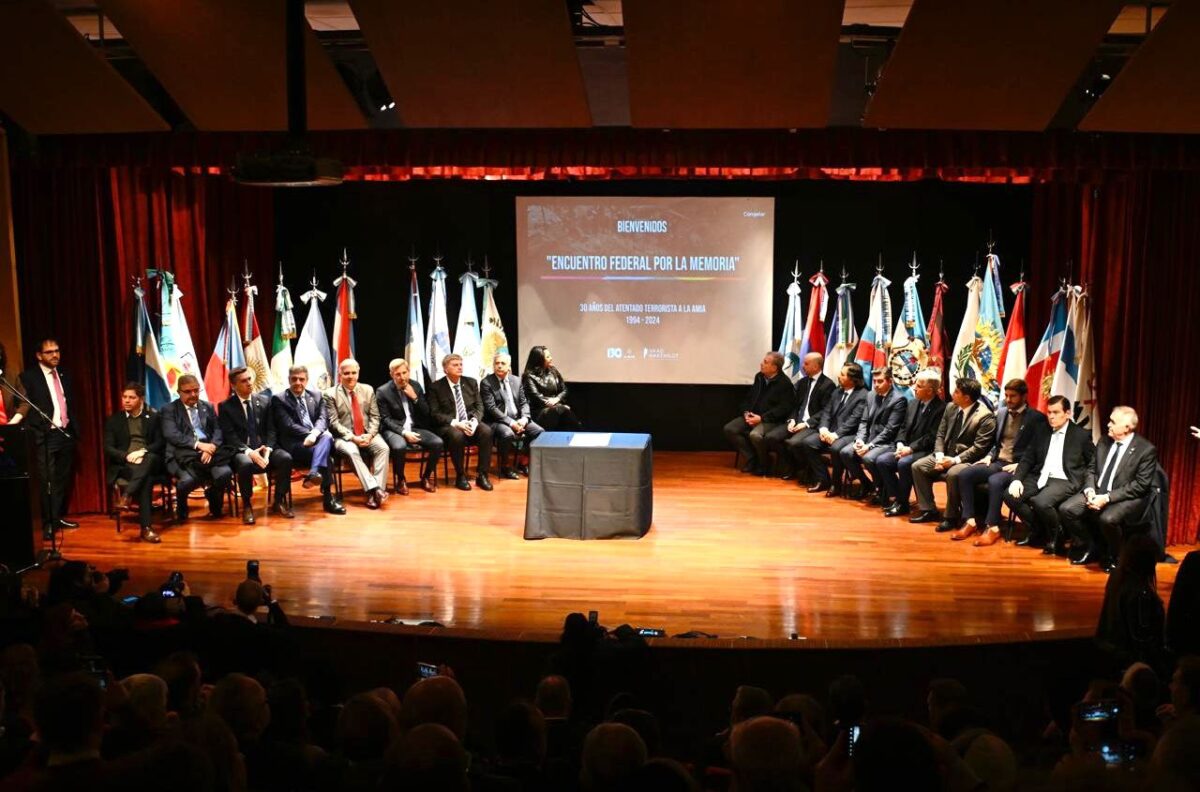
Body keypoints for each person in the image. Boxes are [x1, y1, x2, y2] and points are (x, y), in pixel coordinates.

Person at [1060, 406, 1158, 571]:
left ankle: (1116, 554)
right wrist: (1090, 490)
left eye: (1113, 422)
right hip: (1097, 491)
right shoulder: (1104, 441)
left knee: (1108, 519)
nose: (1108, 425)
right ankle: (1090, 546)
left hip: (1124, 496)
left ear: (1127, 427)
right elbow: (1091, 469)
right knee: (1067, 509)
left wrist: (1106, 498)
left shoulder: (1145, 450)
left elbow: (1140, 485)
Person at [951, 378, 1047, 545]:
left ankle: (993, 527)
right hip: (997, 461)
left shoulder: (1037, 418)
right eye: (1006, 395)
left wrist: (1020, 465)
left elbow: (1040, 450)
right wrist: (989, 455)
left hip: (1018, 466)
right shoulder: (1001, 412)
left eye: (1013, 396)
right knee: (965, 474)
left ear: (1024, 396)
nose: (1008, 400)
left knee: (995, 481)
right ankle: (970, 520)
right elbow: (995, 443)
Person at [1004, 395, 1095, 555]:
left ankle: (1057, 537)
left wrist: (1088, 485)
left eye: (1056, 412)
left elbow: (1092, 464)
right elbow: (1027, 459)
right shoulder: (1041, 430)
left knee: (1041, 501)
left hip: (1065, 478)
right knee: (1010, 495)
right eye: (1049, 412)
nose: (1051, 416)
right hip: (1040, 475)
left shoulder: (1081, 435)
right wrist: (1017, 480)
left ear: (1067, 413)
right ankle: (1038, 530)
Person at [909, 378, 997, 531]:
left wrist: (954, 460)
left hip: (967, 459)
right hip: (944, 454)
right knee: (918, 466)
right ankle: (928, 509)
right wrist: (939, 456)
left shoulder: (985, 417)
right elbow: (940, 435)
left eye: (956, 392)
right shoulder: (951, 407)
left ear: (967, 398)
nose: (952, 394)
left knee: (953, 474)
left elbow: (979, 448)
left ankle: (950, 517)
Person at [10, 338, 78, 537]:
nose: (55, 355)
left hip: (65, 433)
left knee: (62, 479)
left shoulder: (64, 374)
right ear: (39, 355)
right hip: (44, 435)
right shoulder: (28, 377)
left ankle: (57, 517)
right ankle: (48, 522)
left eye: (57, 350)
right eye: (49, 352)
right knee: (47, 480)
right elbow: (22, 405)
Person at [218, 367, 294, 524]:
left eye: (249, 379)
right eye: (244, 381)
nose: (249, 383)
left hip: (265, 448)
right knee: (245, 464)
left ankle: (278, 500)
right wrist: (249, 452)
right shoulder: (226, 407)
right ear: (233, 385)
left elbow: (272, 429)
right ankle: (247, 505)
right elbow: (230, 437)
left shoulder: (265, 400)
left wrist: (268, 449)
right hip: (241, 450)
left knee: (285, 458)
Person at [271, 365, 344, 515]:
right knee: (326, 447)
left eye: (301, 379)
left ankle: (316, 478)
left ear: (307, 380)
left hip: (316, 442)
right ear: (288, 379)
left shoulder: (317, 396)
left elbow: (324, 418)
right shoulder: (279, 399)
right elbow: (288, 425)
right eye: (294, 379)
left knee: (326, 438)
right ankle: (328, 498)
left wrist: (315, 434)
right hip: (295, 445)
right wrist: (310, 435)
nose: (298, 382)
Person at [160, 374, 234, 522]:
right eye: (188, 391)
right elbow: (172, 434)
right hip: (180, 455)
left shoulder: (207, 406)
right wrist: (199, 445)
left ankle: (213, 497)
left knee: (225, 473)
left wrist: (211, 446)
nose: (193, 395)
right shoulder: (169, 410)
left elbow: (218, 430)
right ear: (178, 392)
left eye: (196, 390)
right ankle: (181, 510)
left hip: (209, 453)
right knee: (187, 482)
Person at [872, 369, 945, 517]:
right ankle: (896, 498)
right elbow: (903, 427)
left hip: (926, 450)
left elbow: (932, 437)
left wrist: (910, 449)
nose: (914, 388)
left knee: (904, 464)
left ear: (930, 391)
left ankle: (902, 503)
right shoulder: (913, 403)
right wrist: (900, 443)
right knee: (882, 461)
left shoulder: (942, 408)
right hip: (905, 447)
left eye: (918, 386)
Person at [102, 382, 165, 543]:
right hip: (127, 463)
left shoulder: (153, 417)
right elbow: (108, 447)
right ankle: (146, 528)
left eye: (132, 397)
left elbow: (159, 443)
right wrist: (127, 456)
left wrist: (142, 452)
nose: (127, 401)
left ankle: (127, 495)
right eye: (124, 397)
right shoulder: (114, 420)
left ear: (141, 399)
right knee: (146, 480)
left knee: (149, 459)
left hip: (149, 458)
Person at [324, 358, 390, 509]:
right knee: (352, 451)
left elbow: (375, 416)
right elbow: (333, 423)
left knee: (383, 448)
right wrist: (353, 437)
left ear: (358, 373)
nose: (350, 376)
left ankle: (374, 493)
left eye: (354, 373)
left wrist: (370, 435)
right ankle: (375, 490)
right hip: (344, 437)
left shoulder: (367, 389)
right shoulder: (330, 394)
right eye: (346, 373)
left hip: (367, 434)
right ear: (340, 374)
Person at [1095, 533, 1166, 670]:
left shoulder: (1116, 577)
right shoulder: (1141, 594)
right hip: (1131, 661)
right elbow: (1143, 639)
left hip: (1109, 649)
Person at [798, 362, 868, 495]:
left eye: (842, 374)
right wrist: (823, 429)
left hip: (850, 434)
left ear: (852, 379)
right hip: (830, 431)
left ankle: (836, 484)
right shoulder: (837, 391)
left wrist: (835, 435)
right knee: (808, 443)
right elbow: (827, 412)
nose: (838, 376)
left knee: (836, 448)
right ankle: (823, 479)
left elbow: (854, 420)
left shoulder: (863, 395)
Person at [764, 352, 836, 482]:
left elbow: (826, 411)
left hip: (813, 424)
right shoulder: (802, 382)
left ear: (816, 366)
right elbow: (794, 405)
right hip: (796, 421)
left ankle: (806, 469)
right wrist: (792, 420)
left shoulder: (827, 385)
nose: (802, 366)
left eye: (806, 363)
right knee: (771, 437)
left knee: (794, 443)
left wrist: (806, 423)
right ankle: (792, 465)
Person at [724, 351, 797, 476]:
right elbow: (749, 398)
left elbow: (784, 409)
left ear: (775, 367)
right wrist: (746, 412)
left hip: (771, 420)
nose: (761, 364)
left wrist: (762, 418)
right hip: (752, 416)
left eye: (765, 362)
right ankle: (752, 458)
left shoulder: (784, 384)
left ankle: (764, 463)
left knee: (755, 435)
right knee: (730, 429)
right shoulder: (759, 377)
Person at [428, 353, 494, 491]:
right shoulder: (436, 387)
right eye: (455, 365)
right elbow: (435, 414)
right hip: (449, 426)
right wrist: (456, 423)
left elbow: (479, 406)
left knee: (486, 431)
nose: (459, 367)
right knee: (457, 436)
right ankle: (460, 476)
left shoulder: (471, 382)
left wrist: (475, 421)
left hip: (470, 421)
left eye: (460, 364)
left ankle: (482, 475)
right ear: (446, 369)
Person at [376, 358, 443, 494]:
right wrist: (403, 432)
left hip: (414, 427)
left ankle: (425, 477)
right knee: (399, 447)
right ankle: (401, 479)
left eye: (404, 373)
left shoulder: (416, 386)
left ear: (409, 372)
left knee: (438, 443)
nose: (402, 377)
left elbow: (426, 413)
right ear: (392, 375)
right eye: (398, 374)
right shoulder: (383, 391)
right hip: (394, 429)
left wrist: (415, 398)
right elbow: (385, 419)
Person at [840, 366, 906, 501]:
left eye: (880, 381)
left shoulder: (899, 400)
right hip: (869, 440)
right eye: (874, 381)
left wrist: (869, 446)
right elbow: (864, 422)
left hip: (887, 443)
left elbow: (890, 429)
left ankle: (882, 489)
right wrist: (860, 440)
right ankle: (867, 485)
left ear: (890, 381)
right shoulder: (870, 395)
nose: (876, 385)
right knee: (846, 453)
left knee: (868, 458)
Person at [481, 352, 543, 479]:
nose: (499, 366)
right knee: (507, 433)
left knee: (539, 432)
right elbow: (491, 408)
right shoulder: (487, 382)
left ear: (509, 366)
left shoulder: (516, 380)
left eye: (502, 363)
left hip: (518, 419)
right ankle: (505, 467)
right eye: (496, 363)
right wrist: (512, 423)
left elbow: (524, 402)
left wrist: (525, 418)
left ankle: (523, 461)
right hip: (497, 421)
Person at [522, 345, 580, 431]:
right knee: (562, 410)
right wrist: (557, 405)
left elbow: (564, 390)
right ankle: (580, 430)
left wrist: (557, 399)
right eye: (548, 357)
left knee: (562, 412)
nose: (551, 358)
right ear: (539, 359)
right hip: (539, 411)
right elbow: (536, 397)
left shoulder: (553, 371)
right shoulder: (529, 376)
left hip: (556, 407)